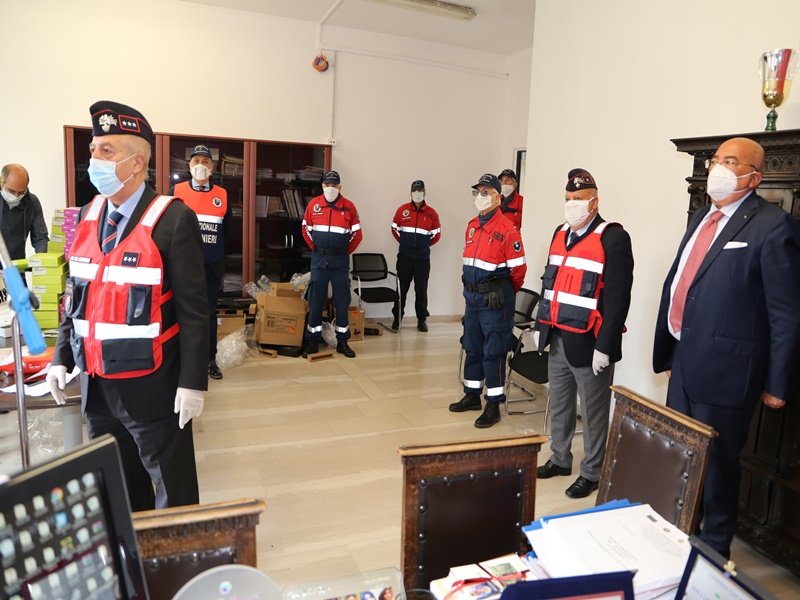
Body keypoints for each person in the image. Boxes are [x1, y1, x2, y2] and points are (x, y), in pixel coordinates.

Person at [46, 100, 209, 511]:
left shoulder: (173, 220)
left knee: (172, 489)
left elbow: (195, 312)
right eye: (93, 150)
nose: (94, 160)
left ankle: (178, 551)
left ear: (137, 163)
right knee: (117, 484)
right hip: (95, 384)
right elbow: (74, 296)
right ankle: (132, 547)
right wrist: (61, 356)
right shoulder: (85, 215)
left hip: (151, 386)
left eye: (106, 151)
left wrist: (193, 382)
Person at [653, 137, 800, 558]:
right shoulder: (704, 214)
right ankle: (680, 532)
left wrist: (778, 384)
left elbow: (786, 313)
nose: (718, 167)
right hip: (684, 359)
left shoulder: (773, 226)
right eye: (716, 159)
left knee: (717, 465)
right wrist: (671, 350)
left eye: (730, 161)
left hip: (728, 371)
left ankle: (713, 551)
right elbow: (686, 281)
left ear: (754, 177)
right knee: (682, 454)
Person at [534, 168, 634, 499]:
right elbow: (550, 285)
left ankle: (592, 471)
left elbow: (618, 299)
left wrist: (606, 346)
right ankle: (560, 458)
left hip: (590, 343)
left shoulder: (613, 238)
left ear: (594, 202)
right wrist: (540, 326)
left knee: (593, 411)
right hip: (557, 336)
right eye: (568, 198)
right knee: (560, 402)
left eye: (578, 199)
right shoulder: (559, 233)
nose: (571, 204)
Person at [449, 173, 526, 428]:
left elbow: (518, 271)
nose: (479, 197)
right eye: (477, 192)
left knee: (494, 352)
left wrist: (504, 291)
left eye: (485, 192)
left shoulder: (507, 230)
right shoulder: (472, 225)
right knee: (473, 346)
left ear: (497, 197)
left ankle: (493, 404)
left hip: (495, 302)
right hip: (472, 298)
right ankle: (472, 395)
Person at [171, 145, 231, 380]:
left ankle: (210, 359)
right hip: (183, 266)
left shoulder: (222, 194)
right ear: (189, 165)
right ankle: (181, 361)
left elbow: (228, 232)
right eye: (196, 161)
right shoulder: (176, 191)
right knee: (180, 312)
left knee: (208, 314)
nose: (201, 166)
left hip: (211, 266)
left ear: (212, 167)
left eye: (206, 161)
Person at [301, 170, 362, 358]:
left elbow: (357, 235)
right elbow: (306, 230)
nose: (330, 188)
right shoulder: (314, 205)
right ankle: (312, 341)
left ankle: (342, 342)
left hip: (340, 263)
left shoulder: (349, 207)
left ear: (340, 186)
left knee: (342, 304)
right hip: (319, 261)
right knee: (315, 302)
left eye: (334, 185)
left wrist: (342, 252)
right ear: (322, 186)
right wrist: (317, 248)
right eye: (327, 184)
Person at [390, 179, 441, 332]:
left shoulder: (432, 213)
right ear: (410, 193)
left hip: (422, 259)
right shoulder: (402, 210)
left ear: (424, 192)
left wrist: (423, 246)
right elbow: (394, 229)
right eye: (414, 191)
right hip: (405, 257)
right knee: (401, 289)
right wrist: (405, 243)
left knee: (421, 290)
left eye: (420, 190)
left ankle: (421, 320)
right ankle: (397, 318)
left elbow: (436, 235)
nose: (417, 193)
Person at [0, 164, 49, 259]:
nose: (16, 196)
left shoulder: (32, 202)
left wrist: (40, 261)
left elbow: (41, 238)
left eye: (21, 192)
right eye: (11, 191)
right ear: (1, 182)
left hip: (18, 264)